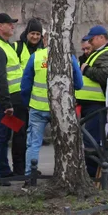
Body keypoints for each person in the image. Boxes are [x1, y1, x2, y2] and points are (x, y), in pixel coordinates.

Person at [21, 44, 83, 180]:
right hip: (61, 109)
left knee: (33, 143)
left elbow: (25, 85)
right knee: (64, 142)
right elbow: (79, 84)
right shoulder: (68, 57)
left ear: (44, 40)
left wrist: (27, 103)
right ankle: (65, 174)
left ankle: (29, 176)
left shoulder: (35, 57)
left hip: (37, 107)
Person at [78, 25, 108, 178]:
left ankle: (93, 173)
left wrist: (86, 69)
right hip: (94, 104)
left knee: (92, 142)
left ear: (102, 38)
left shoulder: (106, 54)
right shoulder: (100, 53)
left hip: (97, 105)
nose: (91, 41)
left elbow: (107, 74)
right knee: (95, 140)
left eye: (92, 38)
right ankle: (99, 173)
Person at [0, 13, 22, 183]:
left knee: (6, 136)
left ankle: (4, 168)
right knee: (0, 137)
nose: (13, 27)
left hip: (13, 98)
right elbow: (0, 78)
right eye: (10, 24)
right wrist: (6, 102)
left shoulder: (6, 45)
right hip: (5, 101)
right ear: (0, 26)